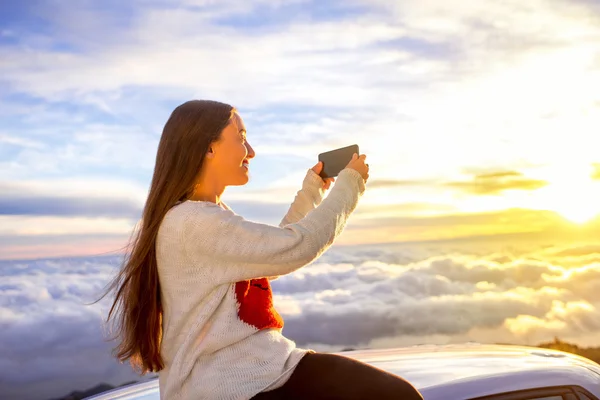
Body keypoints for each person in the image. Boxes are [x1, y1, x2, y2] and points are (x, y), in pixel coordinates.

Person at [102, 100, 423, 400]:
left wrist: (312, 189)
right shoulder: (192, 222)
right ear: (208, 147)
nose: (251, 151)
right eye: (241, 137)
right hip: (236, 385)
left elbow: (274, 251)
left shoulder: (199, 217)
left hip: (259, 373)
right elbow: (296, 246)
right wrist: (350, 184)